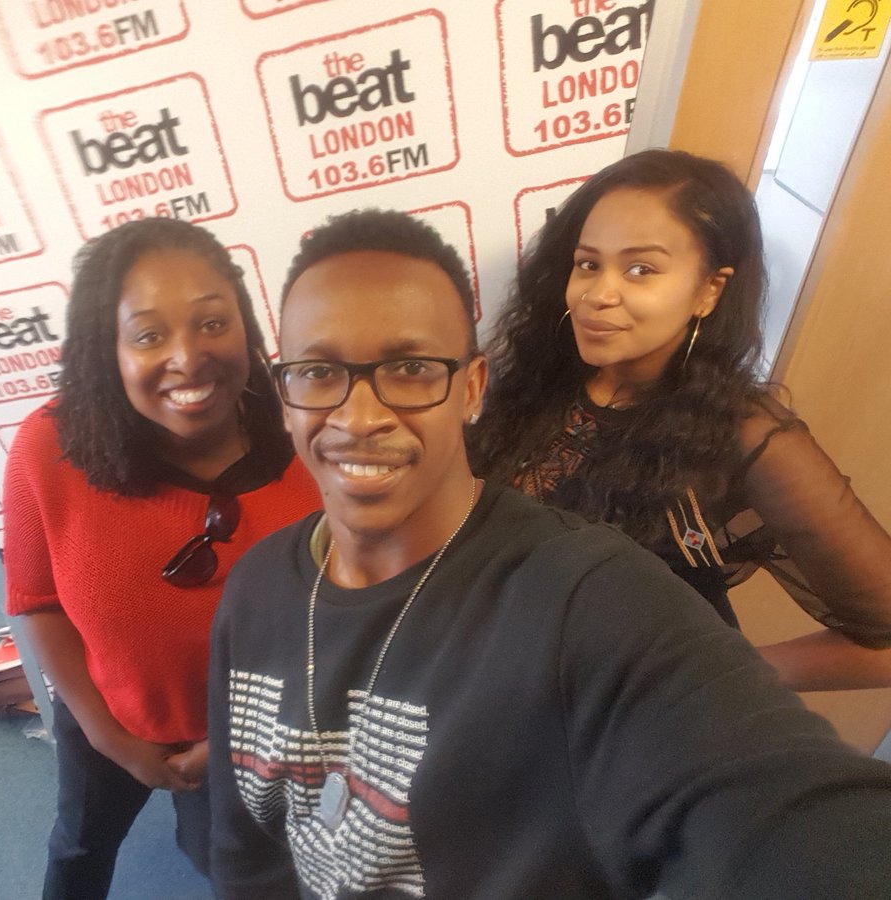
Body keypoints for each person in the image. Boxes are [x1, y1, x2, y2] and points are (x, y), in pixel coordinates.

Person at [207, 208, 891, 899]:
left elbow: (794, 818)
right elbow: (246, 854)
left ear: (472, 389)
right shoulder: (256, 587)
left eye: (411, 369)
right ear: (285, 396)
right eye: (318, 371)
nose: (359, 417)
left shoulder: (587, 597)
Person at [468, 148, 891, 692]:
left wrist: (704, 672)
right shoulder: (541, 377)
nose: (598, 294)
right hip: (502, 678)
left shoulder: (746, 435)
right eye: (588, 264)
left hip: (618, 722)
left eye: (640, 269)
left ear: (709, 290)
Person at [2, 218, 320, 899]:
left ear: (245, 324)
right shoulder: (47, 449)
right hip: (103, 714)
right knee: (80, 843)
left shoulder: (310, 442)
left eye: (212, 323)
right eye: (148, 335)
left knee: (221, 861)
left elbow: (341, 621)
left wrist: (232, 742)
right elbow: (36, 603)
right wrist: (108, 736)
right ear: (108, 348)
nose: (187, 357)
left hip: (253, 733)